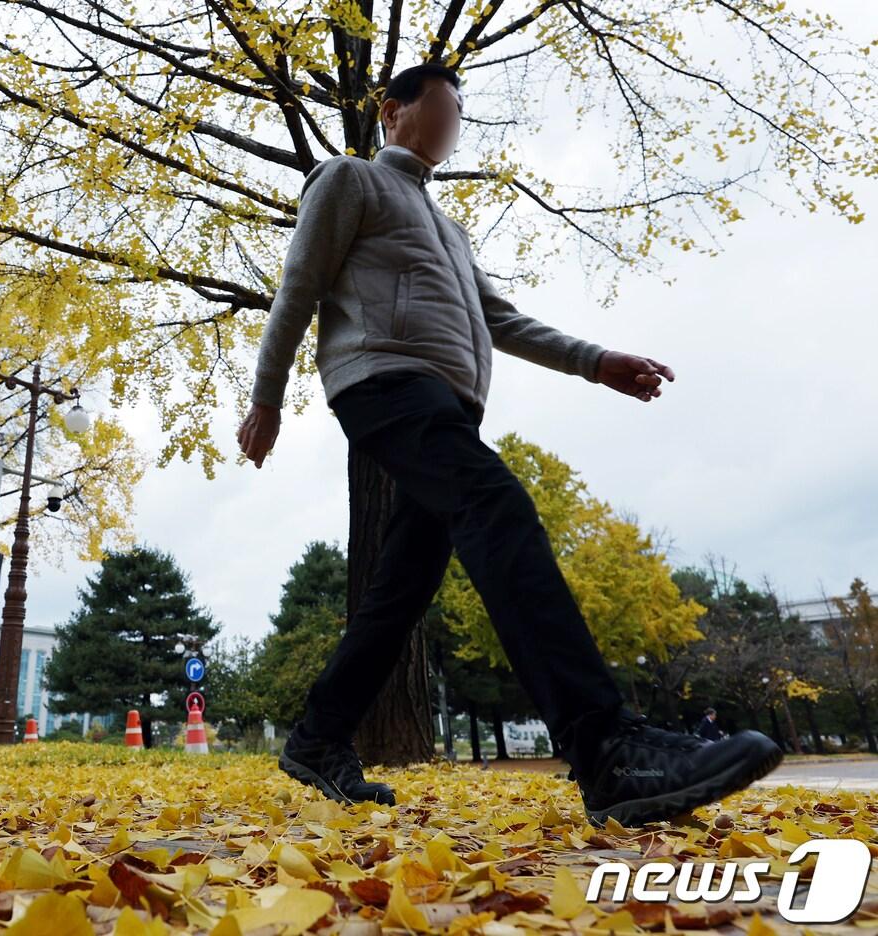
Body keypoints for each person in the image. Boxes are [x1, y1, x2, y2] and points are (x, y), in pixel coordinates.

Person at [235, 62, 783, 827]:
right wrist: (266, 399)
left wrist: (597, 362)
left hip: (447, 409)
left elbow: (506, 321)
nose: (455, 123)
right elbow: (297, 287)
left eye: (462, 113)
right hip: (384, 384)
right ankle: (606, 748)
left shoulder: (449, 231)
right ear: (394, 112)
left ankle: (319, 738)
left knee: (403, 590)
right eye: (445, 108)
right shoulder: (349, 180)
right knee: (497, 508)